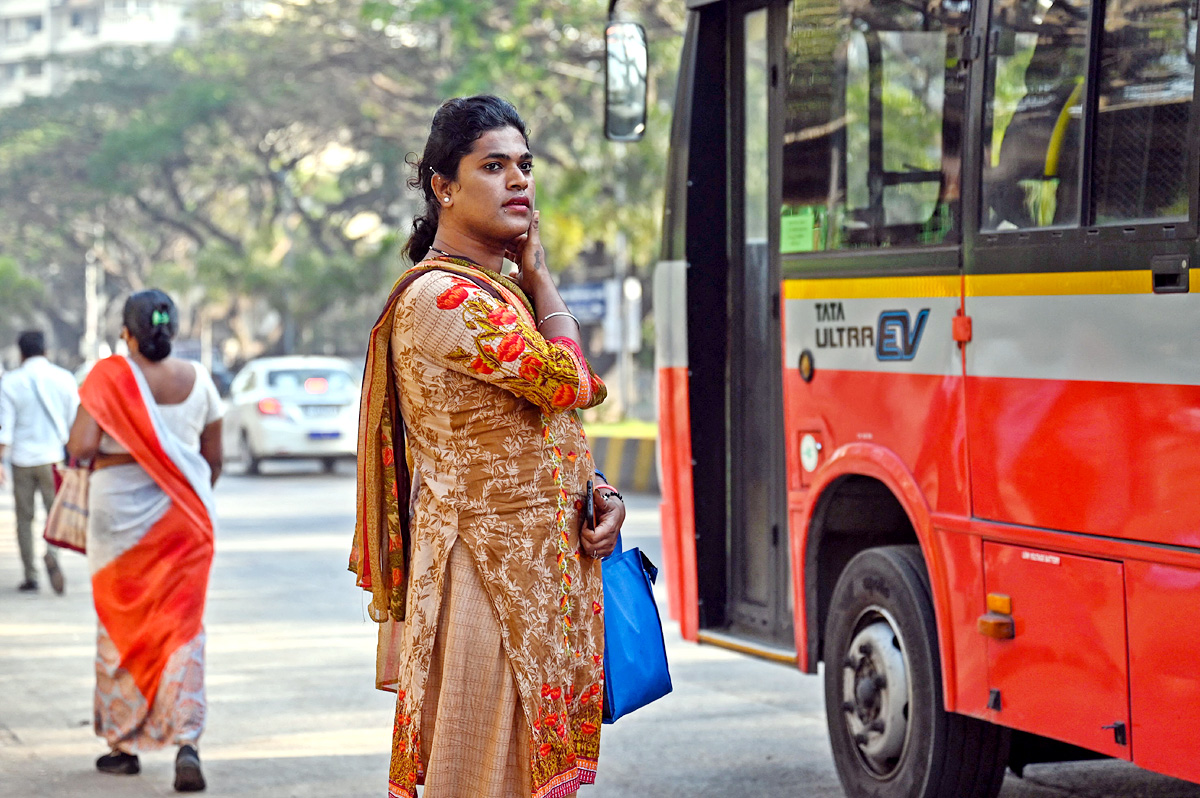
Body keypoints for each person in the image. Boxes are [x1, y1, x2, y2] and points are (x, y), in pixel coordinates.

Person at [350, 95, 625, 798]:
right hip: (485, 583)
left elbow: (546, 429)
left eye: (525, 166)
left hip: (540, 581)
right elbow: (572, 382)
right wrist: (543, 277)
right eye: (494, 166)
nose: (519, 181)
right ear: (443, 186)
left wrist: (600, 495)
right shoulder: (445, 301)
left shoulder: (496, 298)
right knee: (481, 779)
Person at [66, 289, 223, 793]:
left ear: (125, 333)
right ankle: (187, 742)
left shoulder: (107, 377)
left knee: (120, 625)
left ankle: (123, 745)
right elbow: (213, 459)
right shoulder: (201, 382)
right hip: (188, 521)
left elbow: (82, 447)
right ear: (173, 330)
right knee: (183, 631)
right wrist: (181, 489)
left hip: (118, 523)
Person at [0, 330, 79, 594]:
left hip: (21, 460)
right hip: (54, 459)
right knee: (55, 516)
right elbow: (74, 423)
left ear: (21, 353)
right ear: (46, 350)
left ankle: (30, 575)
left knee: (24, 518)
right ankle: (52, 556)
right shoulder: (64, 379)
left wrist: (0, 461)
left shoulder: (10, 382)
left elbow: (5, 431)